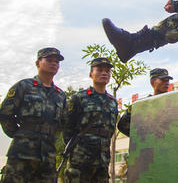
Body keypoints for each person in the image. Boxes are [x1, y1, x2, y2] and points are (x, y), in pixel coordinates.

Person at [0, 47, 66, 183]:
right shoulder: (24, 86)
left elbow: (62, 124)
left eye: (57, 62)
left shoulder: (60, 95)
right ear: (38, 63)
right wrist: (20, 135)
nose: (54, 64)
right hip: (22, 154)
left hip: (48, 156)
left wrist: (49, 137)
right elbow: (5, 114)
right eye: (49, 60)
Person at [63, 57, 118, 183]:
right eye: (99, 70)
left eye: (107, 71)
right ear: (90, 74)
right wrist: (77, 149)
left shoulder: (112, 102)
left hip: (102, 160)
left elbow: (110, 130)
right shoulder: (80, 98)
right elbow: (67, 128)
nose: (104, 73)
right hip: (80, 159)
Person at [117, 68, 173, 137]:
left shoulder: (173, 102)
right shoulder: (141, 105)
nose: (167, 83)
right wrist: (140, 137)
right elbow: (122, 125)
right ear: (152, 82)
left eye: (167, 80)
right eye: (163, 80)